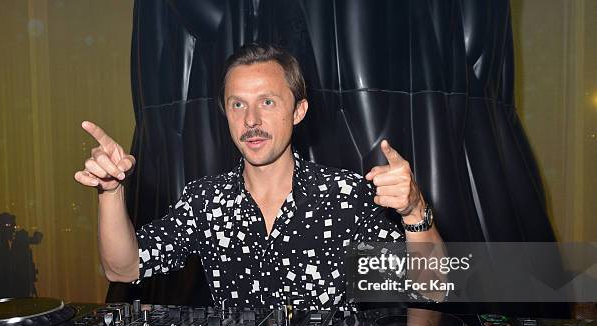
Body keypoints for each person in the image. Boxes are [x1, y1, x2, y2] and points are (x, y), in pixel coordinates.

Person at [74, 44, 444, 309]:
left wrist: (415, 211)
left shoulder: (345, 194)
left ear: (298, 111)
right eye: (238, 104)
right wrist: (110, 191)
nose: (251, 121)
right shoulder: (205, 200)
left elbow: (435, 289)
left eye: (267, 102)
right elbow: (123, 268)